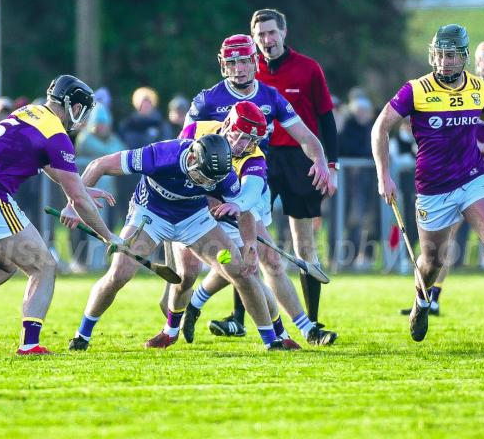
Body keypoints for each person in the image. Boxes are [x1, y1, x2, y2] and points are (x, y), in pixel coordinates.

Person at [371, 23, 484, 347]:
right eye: (439, 55)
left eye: (451, 55)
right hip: (432, 188)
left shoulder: (476, 87)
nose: (444, 62)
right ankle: (422, 302)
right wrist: (383, 174)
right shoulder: (416, 89)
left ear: (465, 57)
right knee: (432, 261)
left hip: (473, 180)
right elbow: (380, 128)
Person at [0, 75, 121, 355]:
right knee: (44, 266)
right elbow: (77, 199)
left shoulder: (27, 113)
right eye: (81, 108)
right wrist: (108, 237)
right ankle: (30, 344)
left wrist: (80, 186)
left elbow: (48, 166)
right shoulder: (56, 134)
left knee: (6, 264)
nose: (81, 116)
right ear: (70, 104)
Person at [64, 133, 290, 351]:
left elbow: (244, 211)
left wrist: (250, 244)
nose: (203, 182)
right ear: (192, 158)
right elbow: (99, 164)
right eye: (202, 176)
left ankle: (272, 342)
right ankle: (82, 335)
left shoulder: (224, 174)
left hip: (194, 217)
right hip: (151, 213)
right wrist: (74, 203)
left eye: (209, 180)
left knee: (242, 271)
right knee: (119, 273)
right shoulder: (161, 155)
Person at [187, 33, 333, 337]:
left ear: (255, 62)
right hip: (210, 193)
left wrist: (320, 160)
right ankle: (188, 309)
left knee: (265, 262)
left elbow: (306, 137)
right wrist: (204, 195)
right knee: (228, 262)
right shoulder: (207, 100)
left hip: (251, 185)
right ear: (223, 65)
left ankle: (303, 330)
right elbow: (182, 148)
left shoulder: (271, 97)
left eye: (243, 61)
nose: (238, 68)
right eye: (232, 62)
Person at [159, 101, 337, 348]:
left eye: (251, 140)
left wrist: (237, 205)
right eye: (241, 137)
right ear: (228, 125)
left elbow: (251, 193)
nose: (244, 145)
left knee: (256, 266)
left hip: (232, 211)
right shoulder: (197, 131)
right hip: (188, 208)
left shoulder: (254, 157)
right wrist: (205, 198)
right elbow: (176, 167)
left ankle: (294, 332)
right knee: (187, 274)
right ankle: (175, 324)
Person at [400, 40, 484, 316]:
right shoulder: (459, 87)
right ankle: (431, 299)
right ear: (477, 61)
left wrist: (482, 148)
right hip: (449, 180)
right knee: (442, 247)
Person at [250, 8, 339, 329]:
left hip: (301, 161)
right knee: (251, 239)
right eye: (260, 34)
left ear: (284, 33)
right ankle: (237, 318)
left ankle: (313, 319)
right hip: (258, 160)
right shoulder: (248, 70)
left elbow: (327, 119)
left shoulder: (308, 68)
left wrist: (332, 165)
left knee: (304, 244)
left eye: (272, 32)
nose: (267, 40)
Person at [73, 103, 126, 271]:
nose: (102, 126)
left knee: (107, 228)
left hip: (107, 194)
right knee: (88, 230)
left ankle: (101, 263)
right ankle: (89, 264)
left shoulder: (112, 139)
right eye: (98, 122)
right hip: (85, 195)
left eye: (104, 122)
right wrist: (111, 156)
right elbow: (109, 155)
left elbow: (121, 152)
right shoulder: (85, 138)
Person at [338, 94, 378, 270]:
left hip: (369, 183)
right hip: (350, 184)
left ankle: (366, 257)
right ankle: (347, 258)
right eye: (359, 111)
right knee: (352, 219)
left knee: (370, 220)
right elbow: (347, 148)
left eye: (365, 111)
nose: (362, 114)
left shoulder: (372, 127)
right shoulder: (348, 127)